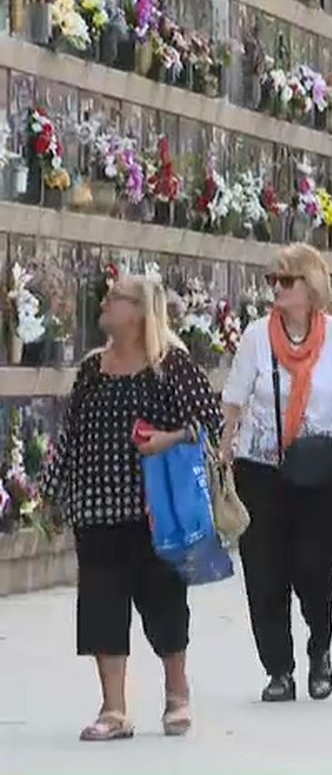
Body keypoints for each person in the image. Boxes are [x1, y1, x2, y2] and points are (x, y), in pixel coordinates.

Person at [41, 274, 222, 740]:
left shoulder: (169, 365)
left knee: (163, 602)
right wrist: (51, 490)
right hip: (95, 509)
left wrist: (169, 438)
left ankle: (177, 693)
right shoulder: (92, 369)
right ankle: (114, 708)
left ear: (140, 311)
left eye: (115, 297)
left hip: (153, 510)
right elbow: (70, 434)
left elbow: (209, 422)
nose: (105, 301)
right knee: (101, 605)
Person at [221, 244, 332, 703]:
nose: (276, 289)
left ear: (311, 285)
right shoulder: (256, 337)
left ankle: (320, 649)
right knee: (264, 571)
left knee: (314, 567)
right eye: (271, 281)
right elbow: (234, 401)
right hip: (261, 469)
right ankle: (278, 668)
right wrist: (224, 459)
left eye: (286, 281)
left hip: (321, 472)